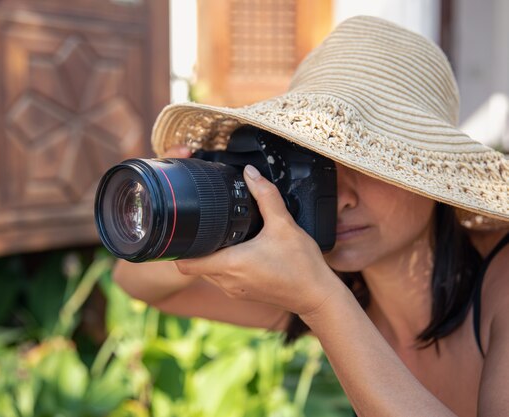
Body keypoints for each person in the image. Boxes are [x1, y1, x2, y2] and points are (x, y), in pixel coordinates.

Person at [112, 16, 509, 416]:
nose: (340, 197)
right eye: (319, 164)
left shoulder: (501, 282)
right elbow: (134, 281)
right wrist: (208, 226)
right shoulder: (332, 277)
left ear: (434, 173)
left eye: (373, 165)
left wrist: (321, 301)